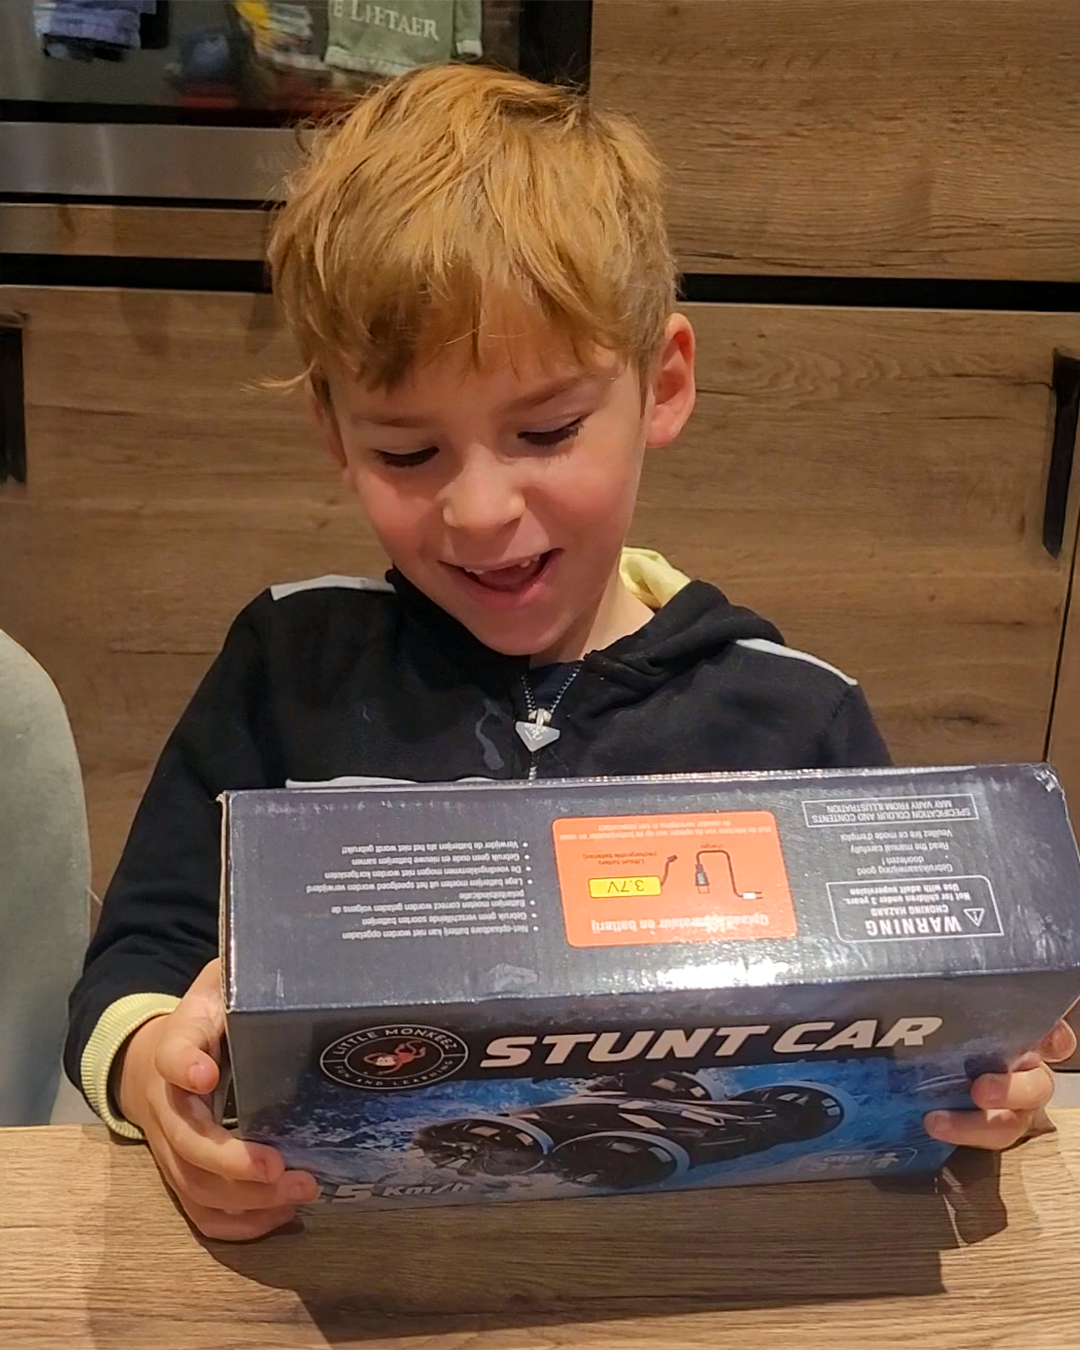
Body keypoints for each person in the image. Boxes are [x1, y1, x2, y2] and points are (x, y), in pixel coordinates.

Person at [64, 63, 1076, 1241]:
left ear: (664, 385)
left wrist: (990, 1090)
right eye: (406, 453)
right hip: (357, 1265)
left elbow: (926, 1027)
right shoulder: (292, 663)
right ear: (332, 433)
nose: (480, 510)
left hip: (707, 1275)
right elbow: (135, 963)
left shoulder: (795, 716)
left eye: (545, 431)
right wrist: (154, 1071)